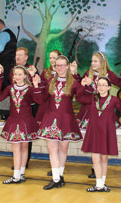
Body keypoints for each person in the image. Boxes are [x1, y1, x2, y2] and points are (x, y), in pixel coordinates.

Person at [33, 55, 86, 190]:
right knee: (52, 149)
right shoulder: (50, 80)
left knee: (63, 149)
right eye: (57, 65)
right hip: (51, 118)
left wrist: (86, 85)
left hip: (66, 119)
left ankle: (60, 177)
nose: (60, 68)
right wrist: (36, 85)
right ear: (54, 67)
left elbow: (83, 98)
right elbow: (41, 99)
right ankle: (56, 178)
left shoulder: (73, 82)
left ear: (68, 66)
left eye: (63, 65)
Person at [0, 66, 40, 184]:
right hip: (14, 121)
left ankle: (20, 174)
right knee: (16, 149)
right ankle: (17, 175)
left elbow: (39, 100)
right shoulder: (10, 88)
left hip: (26, 121)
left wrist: (36, 85)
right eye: (15, 74)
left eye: (19, 74)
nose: (17, 77)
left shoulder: (29, 89)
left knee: (23, 148)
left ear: (25, 76)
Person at [80, 77, 121, 192]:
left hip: (107, 131)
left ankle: (102, 183)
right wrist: (82, 86)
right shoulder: (92, 98)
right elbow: (80, 98)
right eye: (99, 85)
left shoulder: (114, 100)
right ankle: (99, 185)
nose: (101, 87)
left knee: (104, 159)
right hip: (94, 131)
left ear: (109, 87)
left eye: (103, 85)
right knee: (95, 159)